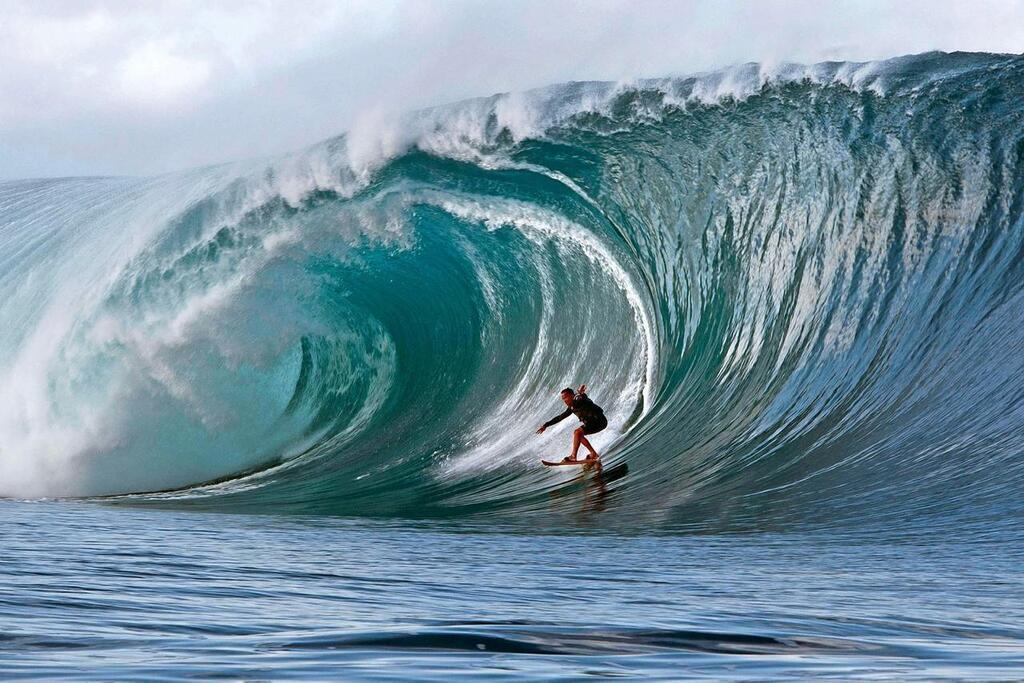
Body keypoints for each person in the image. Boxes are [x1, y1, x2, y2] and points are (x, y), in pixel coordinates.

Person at [536, 384, 607, 463]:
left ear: (572, 395)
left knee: (577, 432)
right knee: (578, 435)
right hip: (593, 423)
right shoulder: (571, 407)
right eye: (563, 399)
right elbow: (560, 417)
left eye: (566, 397)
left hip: (599, 420)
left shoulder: (578, 399)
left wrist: (581, 393)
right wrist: (546, 425)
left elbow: (583, 398)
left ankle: (573, 456)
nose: (564, 400)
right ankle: (593, 453)